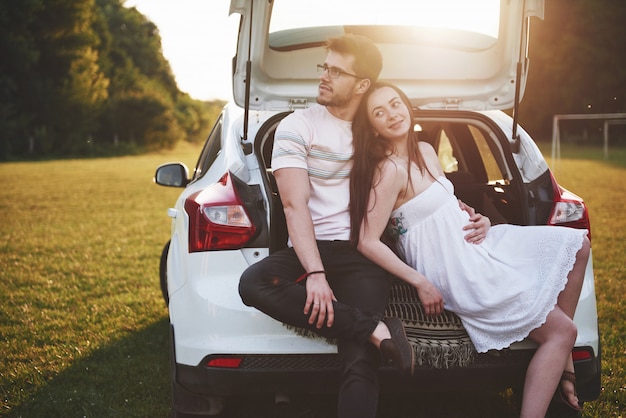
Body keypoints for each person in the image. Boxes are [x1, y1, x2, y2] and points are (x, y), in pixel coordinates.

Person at [349, 81, 591, 418]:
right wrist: (420, 282)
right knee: (564, 331)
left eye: (394, 104)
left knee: (578, 244)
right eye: (379, 113)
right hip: (459, 270)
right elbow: (366, 240)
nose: (391, 115)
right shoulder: (388, 170)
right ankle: (562, 370)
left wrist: (481, 219)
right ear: (372, 127)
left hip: (478, 245)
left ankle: (560, 361)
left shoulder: (426, 151)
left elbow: (446, 204)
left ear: (406, 104)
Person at [238, 35, 413, 418]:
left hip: (360, 252)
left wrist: (467, 210)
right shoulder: (297, 126)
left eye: (336, 71)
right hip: (308, 248)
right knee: (252, 283)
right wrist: (315, 272)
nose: (324, 77)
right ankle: (375, 328)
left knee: (359, 362)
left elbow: (415, 176)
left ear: (362, 85)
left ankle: (366, 334)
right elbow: (293, 204)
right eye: (325, 67)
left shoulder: (375, 132)